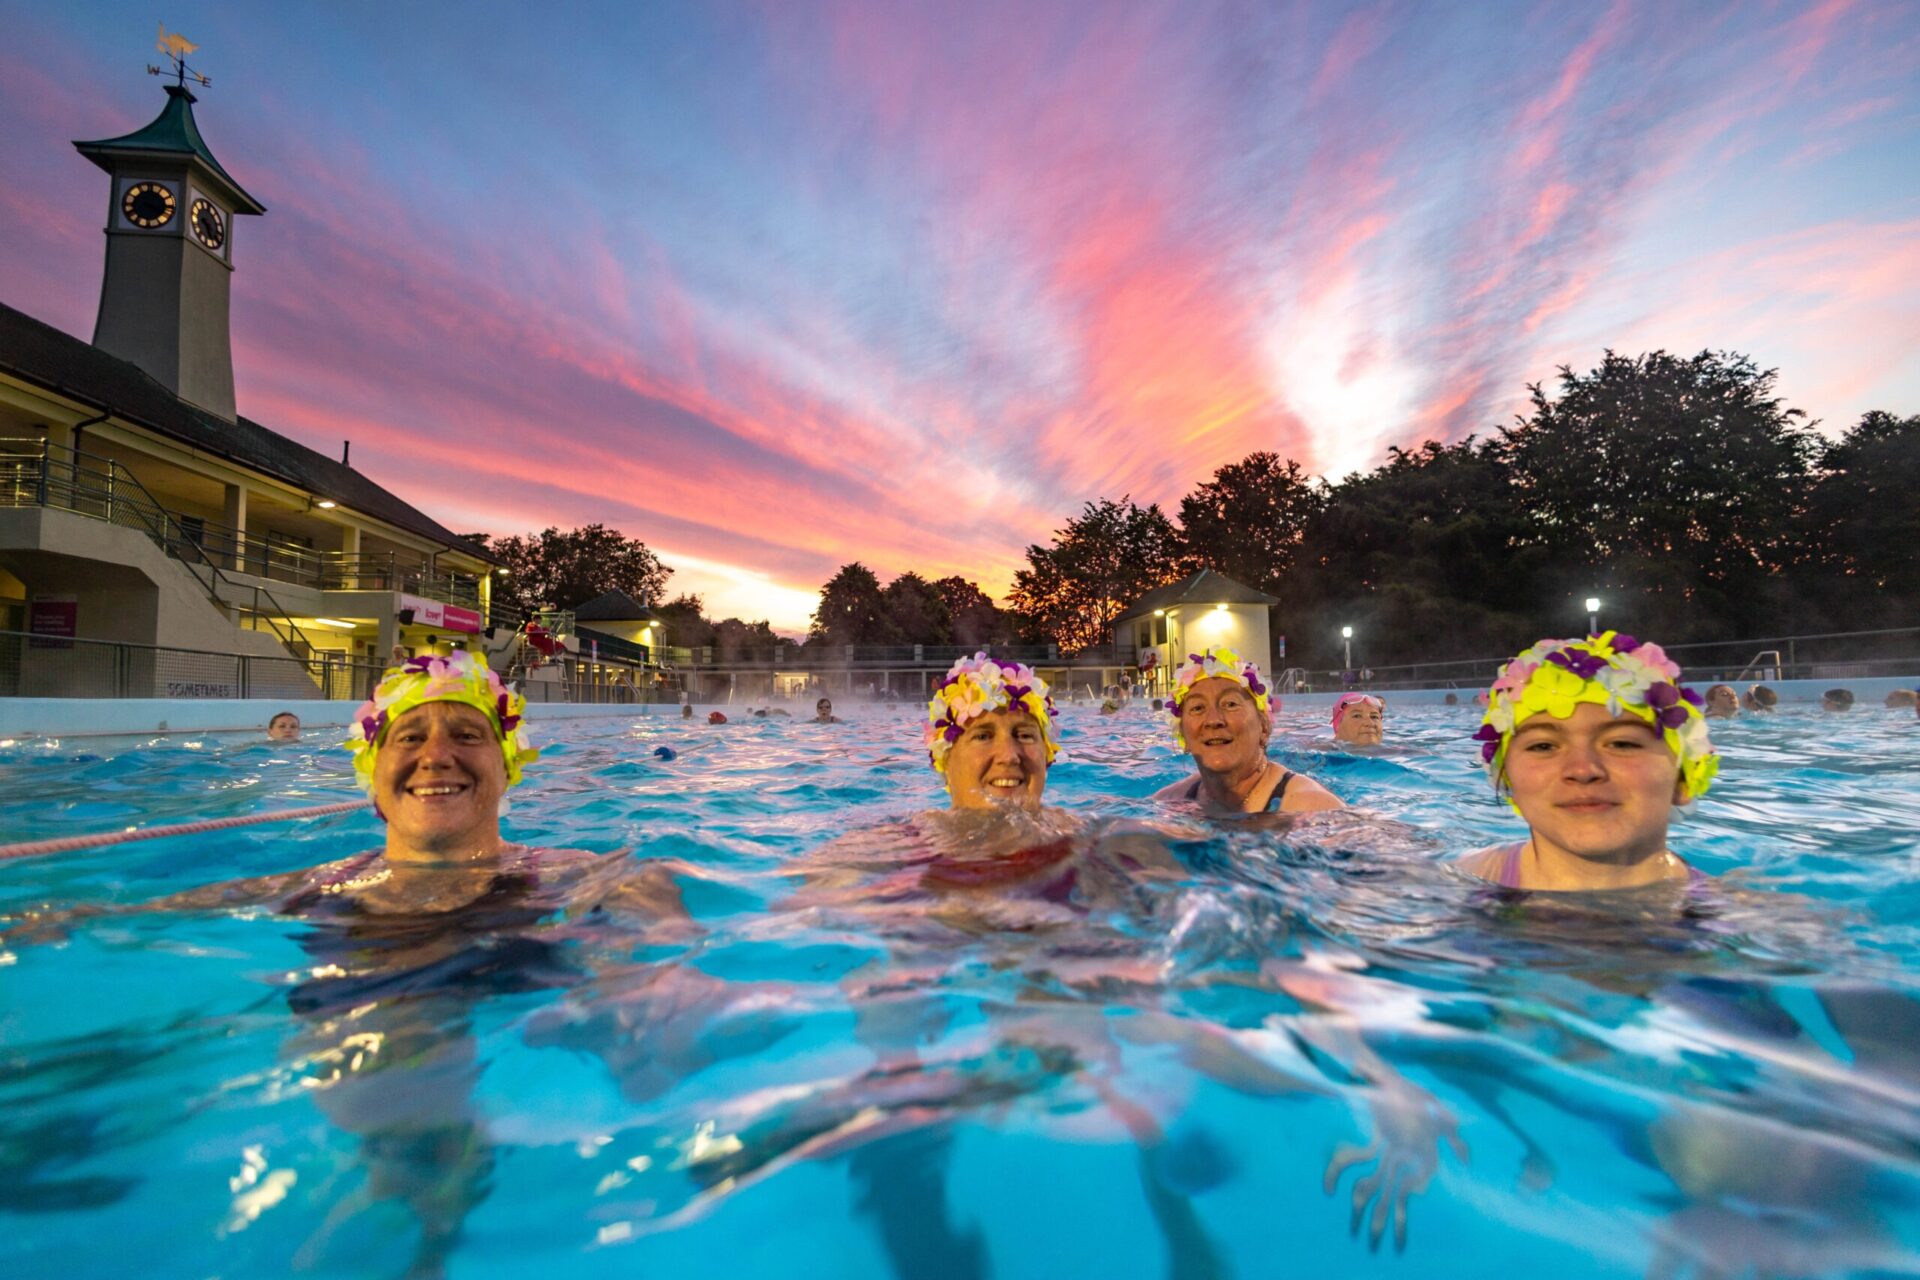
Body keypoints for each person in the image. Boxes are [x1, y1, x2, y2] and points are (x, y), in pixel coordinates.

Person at [1459, 633, 1719, 892]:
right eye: (1543, 746)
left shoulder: (1740, 918)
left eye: (1622, 743)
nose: (1582, 770)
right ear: (1508, 781)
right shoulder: (1455, 885)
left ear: (1684, 780)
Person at [1153, 648, 1342, 815]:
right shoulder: (1170, 801)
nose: (1213, 720)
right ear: (1183, 736)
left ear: (1264, 726)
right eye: (1197, 708)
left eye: (1230, 704)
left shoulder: (1314, 807)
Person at [924, 653, 1057, 811]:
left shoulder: (1084, 832)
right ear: (946, 762)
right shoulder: (908, 835)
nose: (1008, 757)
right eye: (982, 737)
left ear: (1046, 755)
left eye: (1025, 736)